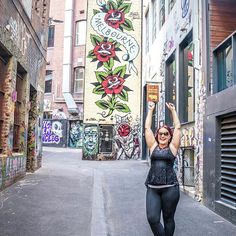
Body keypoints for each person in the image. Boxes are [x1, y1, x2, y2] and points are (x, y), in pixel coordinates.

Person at [145, 101, 181, 236]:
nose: (163, 135)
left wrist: (173, 111)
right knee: (152, 218)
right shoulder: (153, 147)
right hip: (153, 188)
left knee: (168, 219)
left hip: (170, 188)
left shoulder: (172, 148)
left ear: (169, 136)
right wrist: (150, 110)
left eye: (166, 133)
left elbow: (177, 128)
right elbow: (147, 128)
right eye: (160, 133)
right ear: (157, 135)